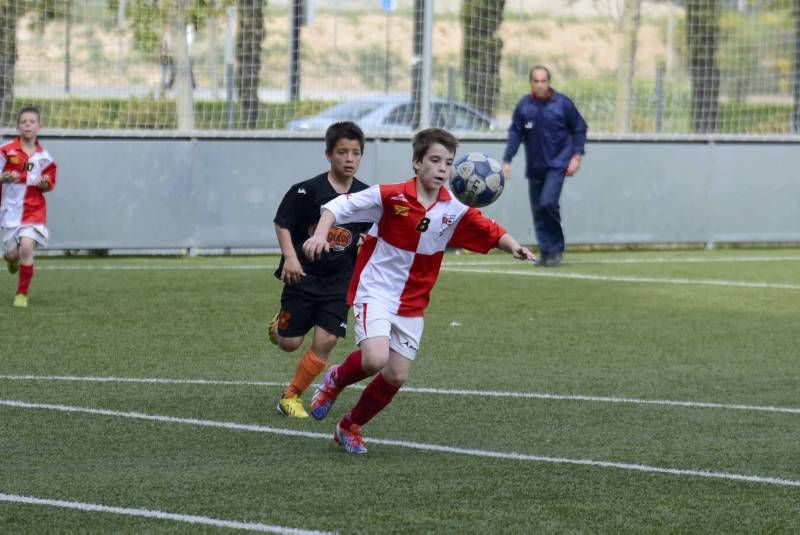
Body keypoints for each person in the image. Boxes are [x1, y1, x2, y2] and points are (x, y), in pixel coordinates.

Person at [302, 128, 535, 454]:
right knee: (375, 359)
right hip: (377, 290)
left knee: (396, 375)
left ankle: (349, 426)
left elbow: (490, 231)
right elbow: (336, 207)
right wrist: (319, 235)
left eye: (449, 163)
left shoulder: (455, 208)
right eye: (435, 160)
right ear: (416, 162)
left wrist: (514, 247)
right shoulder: (390, 195)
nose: (442, 168)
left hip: (413, 302)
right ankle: (336, 379)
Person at [268, 121, 372, 419]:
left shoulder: (366, 195)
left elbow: (373, 230)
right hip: (302, 276)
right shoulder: (306, 191)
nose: (349, 159)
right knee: (289, 343)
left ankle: (291, 397)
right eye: (342, 152)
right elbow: (282, 223)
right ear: (328, 154)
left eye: (355, 153)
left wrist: (367, 239)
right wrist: (290, 257)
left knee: (326, 340)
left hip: (340, 282)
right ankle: (279, 326)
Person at [502, 65, 587, 267]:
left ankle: (556, 248)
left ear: (549, 82)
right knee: (538, 210)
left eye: (543, 81)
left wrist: (576, 156)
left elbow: (580, 128)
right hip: (535, 167)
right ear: (531, 83)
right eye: (536, 81)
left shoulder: (562, 104)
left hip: (558, 164)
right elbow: (515, 134)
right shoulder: (524, 106)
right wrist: (507, 160)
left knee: (548, 203)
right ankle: (547, 252)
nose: (540, 85)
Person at [1, 106, 57, 308]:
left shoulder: (45, 158)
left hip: (34, 210)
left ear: (39, 126)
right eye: (24, 121)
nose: (28, 124)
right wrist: (3, 177)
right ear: (18, 126)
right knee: (12, 254)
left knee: (26, 245)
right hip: (9, 211)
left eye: (32, 121)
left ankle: (21, 294)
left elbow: (50, 183)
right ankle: (10, 259)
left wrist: (44, 184)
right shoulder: (6, 151)